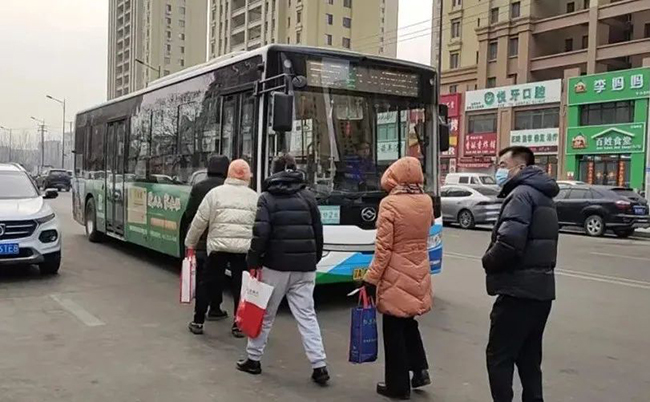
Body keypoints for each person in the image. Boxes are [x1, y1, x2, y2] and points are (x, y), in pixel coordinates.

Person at [236, 154, 330, 385]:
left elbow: (260, 234)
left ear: (273, 170)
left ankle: (253, 359)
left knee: (265, 314)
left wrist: (253, 262)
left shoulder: (267, 198)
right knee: (307, 316)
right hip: (305, 267)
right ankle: (319, 365)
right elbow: (318, 232)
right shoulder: (308, 196)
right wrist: (313, 258)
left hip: (275, 266)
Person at [482, 146, 559, 402]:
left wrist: (488, 261)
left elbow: (509, 242)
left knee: (499, 357)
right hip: (541, 291)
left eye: (503, 165)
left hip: (517, 292)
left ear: (521, 168)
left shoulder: (521, 195)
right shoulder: (543, 195)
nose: (499, 170)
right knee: (529, 358)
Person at [362, 156, 434, 400]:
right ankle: (420, 370)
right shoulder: (426, 201)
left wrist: (370, 279)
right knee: (408, 322)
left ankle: (398, 386)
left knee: (393, 328)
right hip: (418, 269)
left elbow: (384, 249)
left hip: (396, 272)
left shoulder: (390, 204)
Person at [185, 159, 258, 337]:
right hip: (243, 250)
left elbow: (199, 221)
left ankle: (198, 321)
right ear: (247, 176)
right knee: (241, 287)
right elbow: (260, 227)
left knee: (207, 283)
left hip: (218, 248)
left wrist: (190, 243)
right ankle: (238, 325)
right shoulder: (254, 197)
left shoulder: (215, 194)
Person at [184, 155, 230, 330]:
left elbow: (190, 213)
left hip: (203, 241)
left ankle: (198, 318)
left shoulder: (199, 187)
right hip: (222, 241)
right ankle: (215, 308)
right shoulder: (228, 189)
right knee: (218, 275)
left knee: (203, 278)